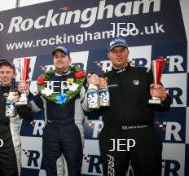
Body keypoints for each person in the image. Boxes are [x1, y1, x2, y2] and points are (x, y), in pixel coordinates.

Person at [88, 38, 171, 176]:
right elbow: (94, 110)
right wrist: (93, 91)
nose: (118, 54)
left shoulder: (144, 73)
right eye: (114, 51)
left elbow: (163, 106)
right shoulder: (102, 79)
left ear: (128, 52)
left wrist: (163, 98)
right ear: (109, 55)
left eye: (122, 51)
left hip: (143, 135)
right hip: (114, 136)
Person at [19, 46, 87, 176]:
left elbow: (88, 107)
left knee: (73, 168)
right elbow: (35, 107)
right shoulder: (46, 81)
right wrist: (27, 94)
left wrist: (94, 90)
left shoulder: (80, 79)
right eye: (56, 57)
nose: (59, 59)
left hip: (73, 130)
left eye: (63, 56)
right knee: (52, 169)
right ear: (53, 60)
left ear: (70, 59)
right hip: (51, 130)